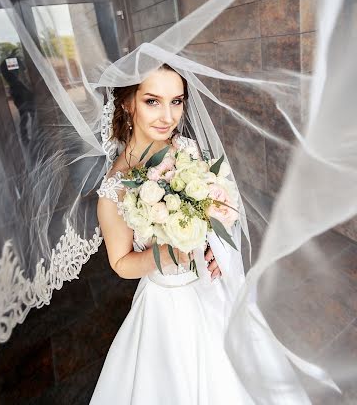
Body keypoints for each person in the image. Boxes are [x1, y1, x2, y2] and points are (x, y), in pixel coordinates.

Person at [89, 63, 309, 404]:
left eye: (176, 101)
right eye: (152, 101)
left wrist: (213, 248)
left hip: (211, 288)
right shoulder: (115, 188)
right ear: (127, 103)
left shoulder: (186, 150)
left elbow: (214, 210)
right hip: (169, 305)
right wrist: (165, 253)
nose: (168, 116)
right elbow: (120, 263)